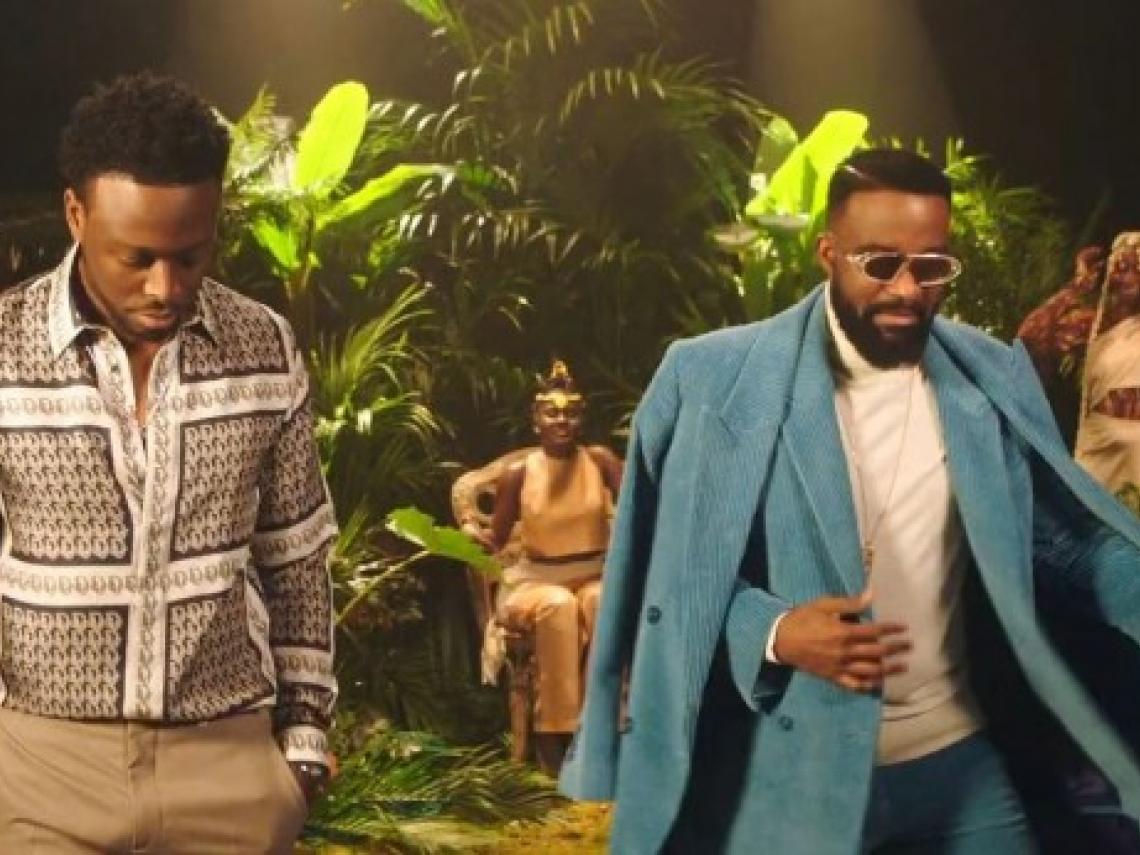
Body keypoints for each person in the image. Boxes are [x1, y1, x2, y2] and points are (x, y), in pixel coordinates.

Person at [561, 148, 1140, 854]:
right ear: (828, 253)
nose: (907, 289)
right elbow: (668, 564)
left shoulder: (990, 374)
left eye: (931, 267)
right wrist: (774, 631)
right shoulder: (710, 378)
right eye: (881, 263)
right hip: (791, 775)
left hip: (961, 762)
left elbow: (1065, 542)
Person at [0, 73, 337, 852]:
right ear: (76, 214)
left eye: (191, 255)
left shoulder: (263, 345)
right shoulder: (5, 346)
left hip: (228, 765)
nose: (166, 286)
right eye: (137, 257)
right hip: (41, 768)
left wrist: (303, 745)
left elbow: (297, 557)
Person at [466, 360, 622, 773]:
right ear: (536, 421)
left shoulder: (600, 461)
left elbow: (636, 511)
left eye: (570, 413)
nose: (562, 421)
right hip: (535, 582)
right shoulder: (519, 473)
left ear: (581, 418)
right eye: (552, 413)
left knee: (602, 601)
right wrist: (471, 534)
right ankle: (555, 736)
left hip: (593, 573)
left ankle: (601, 729)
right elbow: (497, 541)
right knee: (558, 606)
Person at [1019, 232, 1140, 493]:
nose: (1126, 275)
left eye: (1136, 267)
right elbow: (1029, 339)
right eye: (1121, 266)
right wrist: (1079, 284)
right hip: (1100, 475)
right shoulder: (1087, 328)